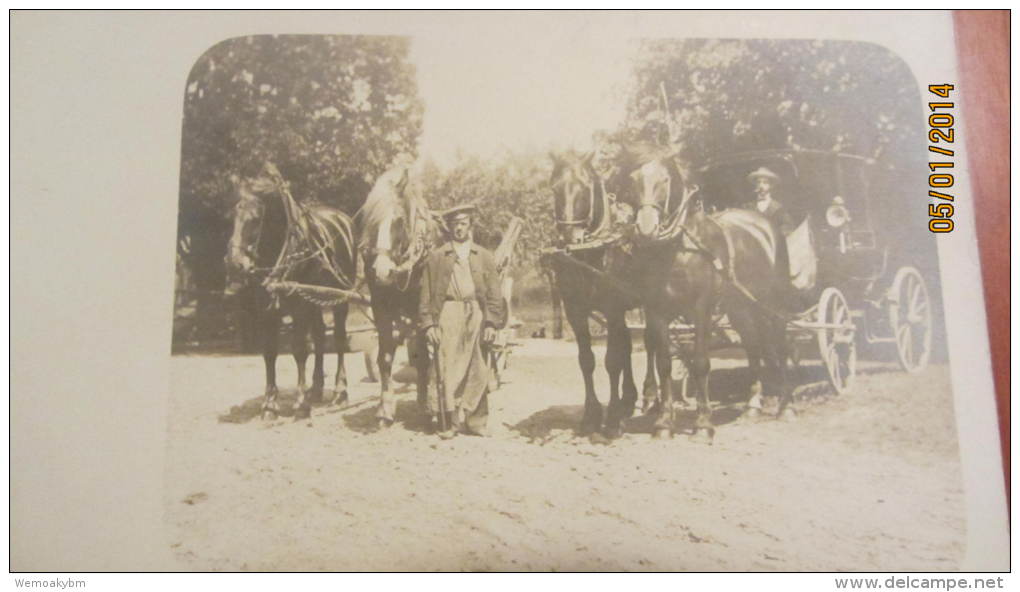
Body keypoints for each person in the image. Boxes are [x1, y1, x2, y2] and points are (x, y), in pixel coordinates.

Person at [418, 204, 503, 438]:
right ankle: (449, 421)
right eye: (455, 224)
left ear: (470, 226)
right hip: (448, 313)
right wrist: (429, 324)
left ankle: (477, 421)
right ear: (450, 228)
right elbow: (425, 295)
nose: (459, 228)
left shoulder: (483, 256)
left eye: (463, 223)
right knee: (447, 366)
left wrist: (491, 323)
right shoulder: (437, 257)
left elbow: (495, 294)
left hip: (476, 313)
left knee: (478, 364)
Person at [744, 167, 795, 234]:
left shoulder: (778, 208)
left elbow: (789, 228)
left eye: (765, 183)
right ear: (755, 185)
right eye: (758, 182)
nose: (761, 186)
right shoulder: (748, 207)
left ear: (771, 186)